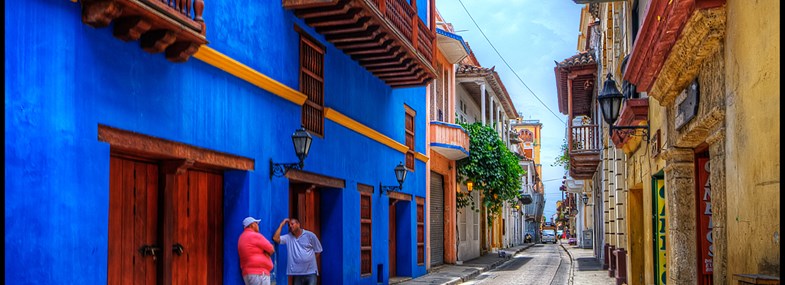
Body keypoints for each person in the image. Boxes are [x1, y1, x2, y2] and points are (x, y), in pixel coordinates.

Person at [273, 218, 323, 285]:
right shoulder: (288, 237)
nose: (290, 226)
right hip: (297, 274)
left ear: (298, 224)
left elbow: (318, 250)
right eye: (289, 225)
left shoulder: (310, 235)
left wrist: (308, 260)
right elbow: (275, 238)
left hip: (310, 272)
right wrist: (281, 225)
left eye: (292, 224)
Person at [238, 216, 275, 285]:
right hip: (260, 273)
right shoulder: (255, 235)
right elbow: (271, 249)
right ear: (252, 225)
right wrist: (265, 252)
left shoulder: (241, 237)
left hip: (247, 273)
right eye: (256, 223)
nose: (258, 225)